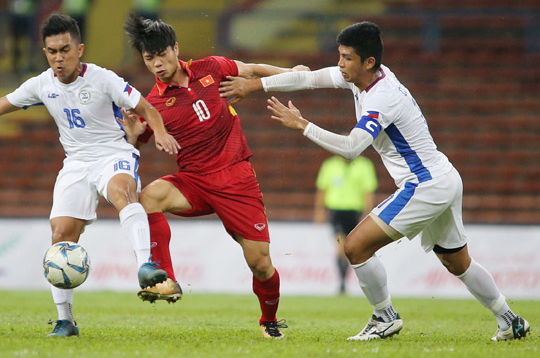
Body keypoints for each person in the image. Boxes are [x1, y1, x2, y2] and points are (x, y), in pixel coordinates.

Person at [218, 21, 531, 342]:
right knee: (457, 261)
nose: (340, 64)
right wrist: (255, 86)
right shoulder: (363, 77)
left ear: (369, 62)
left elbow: (352, 148)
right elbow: (309, 77)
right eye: (339, 56)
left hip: (425, 184)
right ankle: (510, 320)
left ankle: (384, 317)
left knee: (354, 247)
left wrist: (302, 125)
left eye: (347, 58)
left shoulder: (383, 97)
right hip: (443, 177)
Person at [0, 13, 180, 338]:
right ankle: (65, 320)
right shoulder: (41, 84)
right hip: (76, 163)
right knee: (60, 237)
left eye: (65, 49)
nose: (59, 57)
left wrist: (160, 131)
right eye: (52, 51)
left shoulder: (102, 78)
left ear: (79, 49)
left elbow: (147, 108)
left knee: (122, 192)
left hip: (113, 153)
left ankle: (145, 264)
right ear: (45, 52)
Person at [123, 14, 307, 339]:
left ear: (175, 48)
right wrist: (132, 134)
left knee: (261, 264)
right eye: (149, 58)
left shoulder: (211, 67)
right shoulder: (152, 104)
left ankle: (269, 320)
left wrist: (289, 73)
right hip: (194, 181)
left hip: (236, 178)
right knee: (149, 196)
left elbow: (251, 69)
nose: (157, 64)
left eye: (162, 54)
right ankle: (165, 278)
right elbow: (135, 143)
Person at [315, 153, 377, 294]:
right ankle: (342, 281)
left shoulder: (365, 165)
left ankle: (345, 280)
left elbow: (368, 192)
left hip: (355, 211)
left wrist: (367, 212)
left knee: (352, 248)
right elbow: (322, 189)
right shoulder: (329, 165)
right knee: (341, 247)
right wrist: (319, 211)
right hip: (336, 211)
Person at [8, 0, 39, 74]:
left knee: (29, 41)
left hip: (26, 16)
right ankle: (17, 64)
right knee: (17, 42)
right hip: (19, 16)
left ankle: (28, 63)